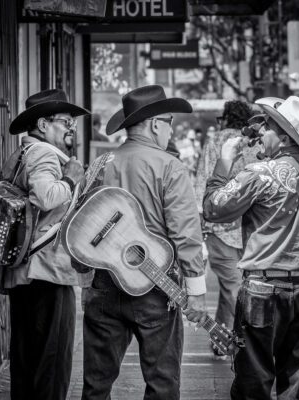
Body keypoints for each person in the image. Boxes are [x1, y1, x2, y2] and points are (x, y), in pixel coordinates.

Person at [203, 96, 299, 400]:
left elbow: (213, 208)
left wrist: (223, 165)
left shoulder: (259, 174)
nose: (260, 131)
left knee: (253, 384)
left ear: (286, 138)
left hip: (263, 290)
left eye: (268, 126)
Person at [74, 85, 207, 400]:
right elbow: (186, 233)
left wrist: (85, 283)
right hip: (156, 286)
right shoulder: (169, 166)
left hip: (103, 285)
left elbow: (78, 225)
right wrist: (197, 292)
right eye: (170, 121)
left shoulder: (100, 164)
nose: (171, 130)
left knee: (96, 384)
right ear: (156, 124)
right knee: (162, 383)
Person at [0, 89, 89, 400]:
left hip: (23, 272)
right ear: (41, 123)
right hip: (47, 272)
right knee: (51, 365)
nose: (71, 127)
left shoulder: (21, 153)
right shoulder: (44, 154)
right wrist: (72, 178)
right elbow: (45, 196)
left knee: (26, 361)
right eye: (65, 121)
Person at [194, 100, 261, 360]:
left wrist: (201, 222)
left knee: (231, 288)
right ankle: (231, 341)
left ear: (225, 119)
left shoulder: (215, 142)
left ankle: (224, 339)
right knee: (236, 287)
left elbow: (201, 182)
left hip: (219, 226)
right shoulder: (256, 142)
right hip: (249, 226)